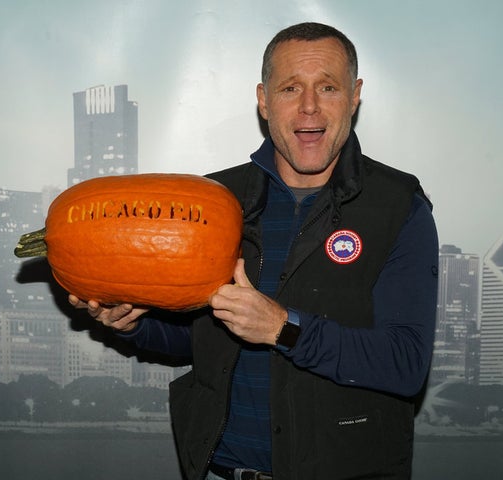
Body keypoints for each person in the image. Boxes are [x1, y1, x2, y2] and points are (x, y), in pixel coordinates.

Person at [70, 22, 438, 480]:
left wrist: (285, 330)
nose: (309, 106)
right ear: (264, 100)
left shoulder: (398, 205)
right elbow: (197, 339)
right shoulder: (215, 200)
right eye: (290, 88)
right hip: (223, 471)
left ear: (355, 94)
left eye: (327, 87)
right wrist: (131, 324)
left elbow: (404, 363)